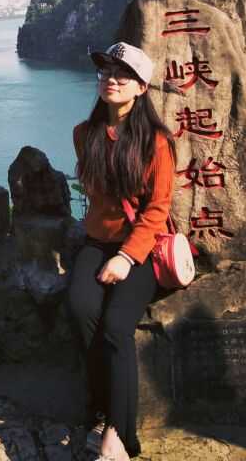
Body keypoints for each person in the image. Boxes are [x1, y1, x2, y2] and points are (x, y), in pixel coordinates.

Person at [67, 42, 176, 461]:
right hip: (98, 242)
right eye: (106, 71)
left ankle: (118, 432)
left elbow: (158, 209)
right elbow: (96, 201)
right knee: (81, 309)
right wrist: (106, 249)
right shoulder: (84, 134)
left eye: (123, 74)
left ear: (141, 87)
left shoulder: (156, 142)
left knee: (116, 326)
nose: (111, 79)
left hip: (142, 247)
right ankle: (100, 408)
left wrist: (127, 257)